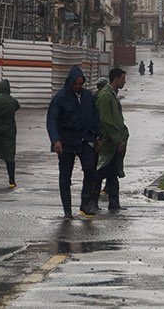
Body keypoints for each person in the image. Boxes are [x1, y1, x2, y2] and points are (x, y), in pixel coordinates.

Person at [46, 64, 101, 218]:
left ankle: (85, 204)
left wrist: (98, 136)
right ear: (70, 82)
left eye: (80, 84)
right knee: (65, 176)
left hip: (85, 139)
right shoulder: (60, 98)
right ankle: (67, 210)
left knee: (90, 169)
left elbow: (95, 117)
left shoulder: (87, 96)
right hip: (66, 142)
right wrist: (55, 141)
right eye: (75, 84)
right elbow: (52, 121)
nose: (78, 86)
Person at [94, 67, 129, 213]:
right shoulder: (105, 96)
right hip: (107, 143)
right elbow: (106, 121)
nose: (124, 81)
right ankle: (92, 202)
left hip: (114, 143)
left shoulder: (113, 96)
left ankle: (114, 203)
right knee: (100, 173)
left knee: (113, 174)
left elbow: (117, 120)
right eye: (123, 78)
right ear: (116, 79)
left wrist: (123, 134)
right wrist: (117, 139)